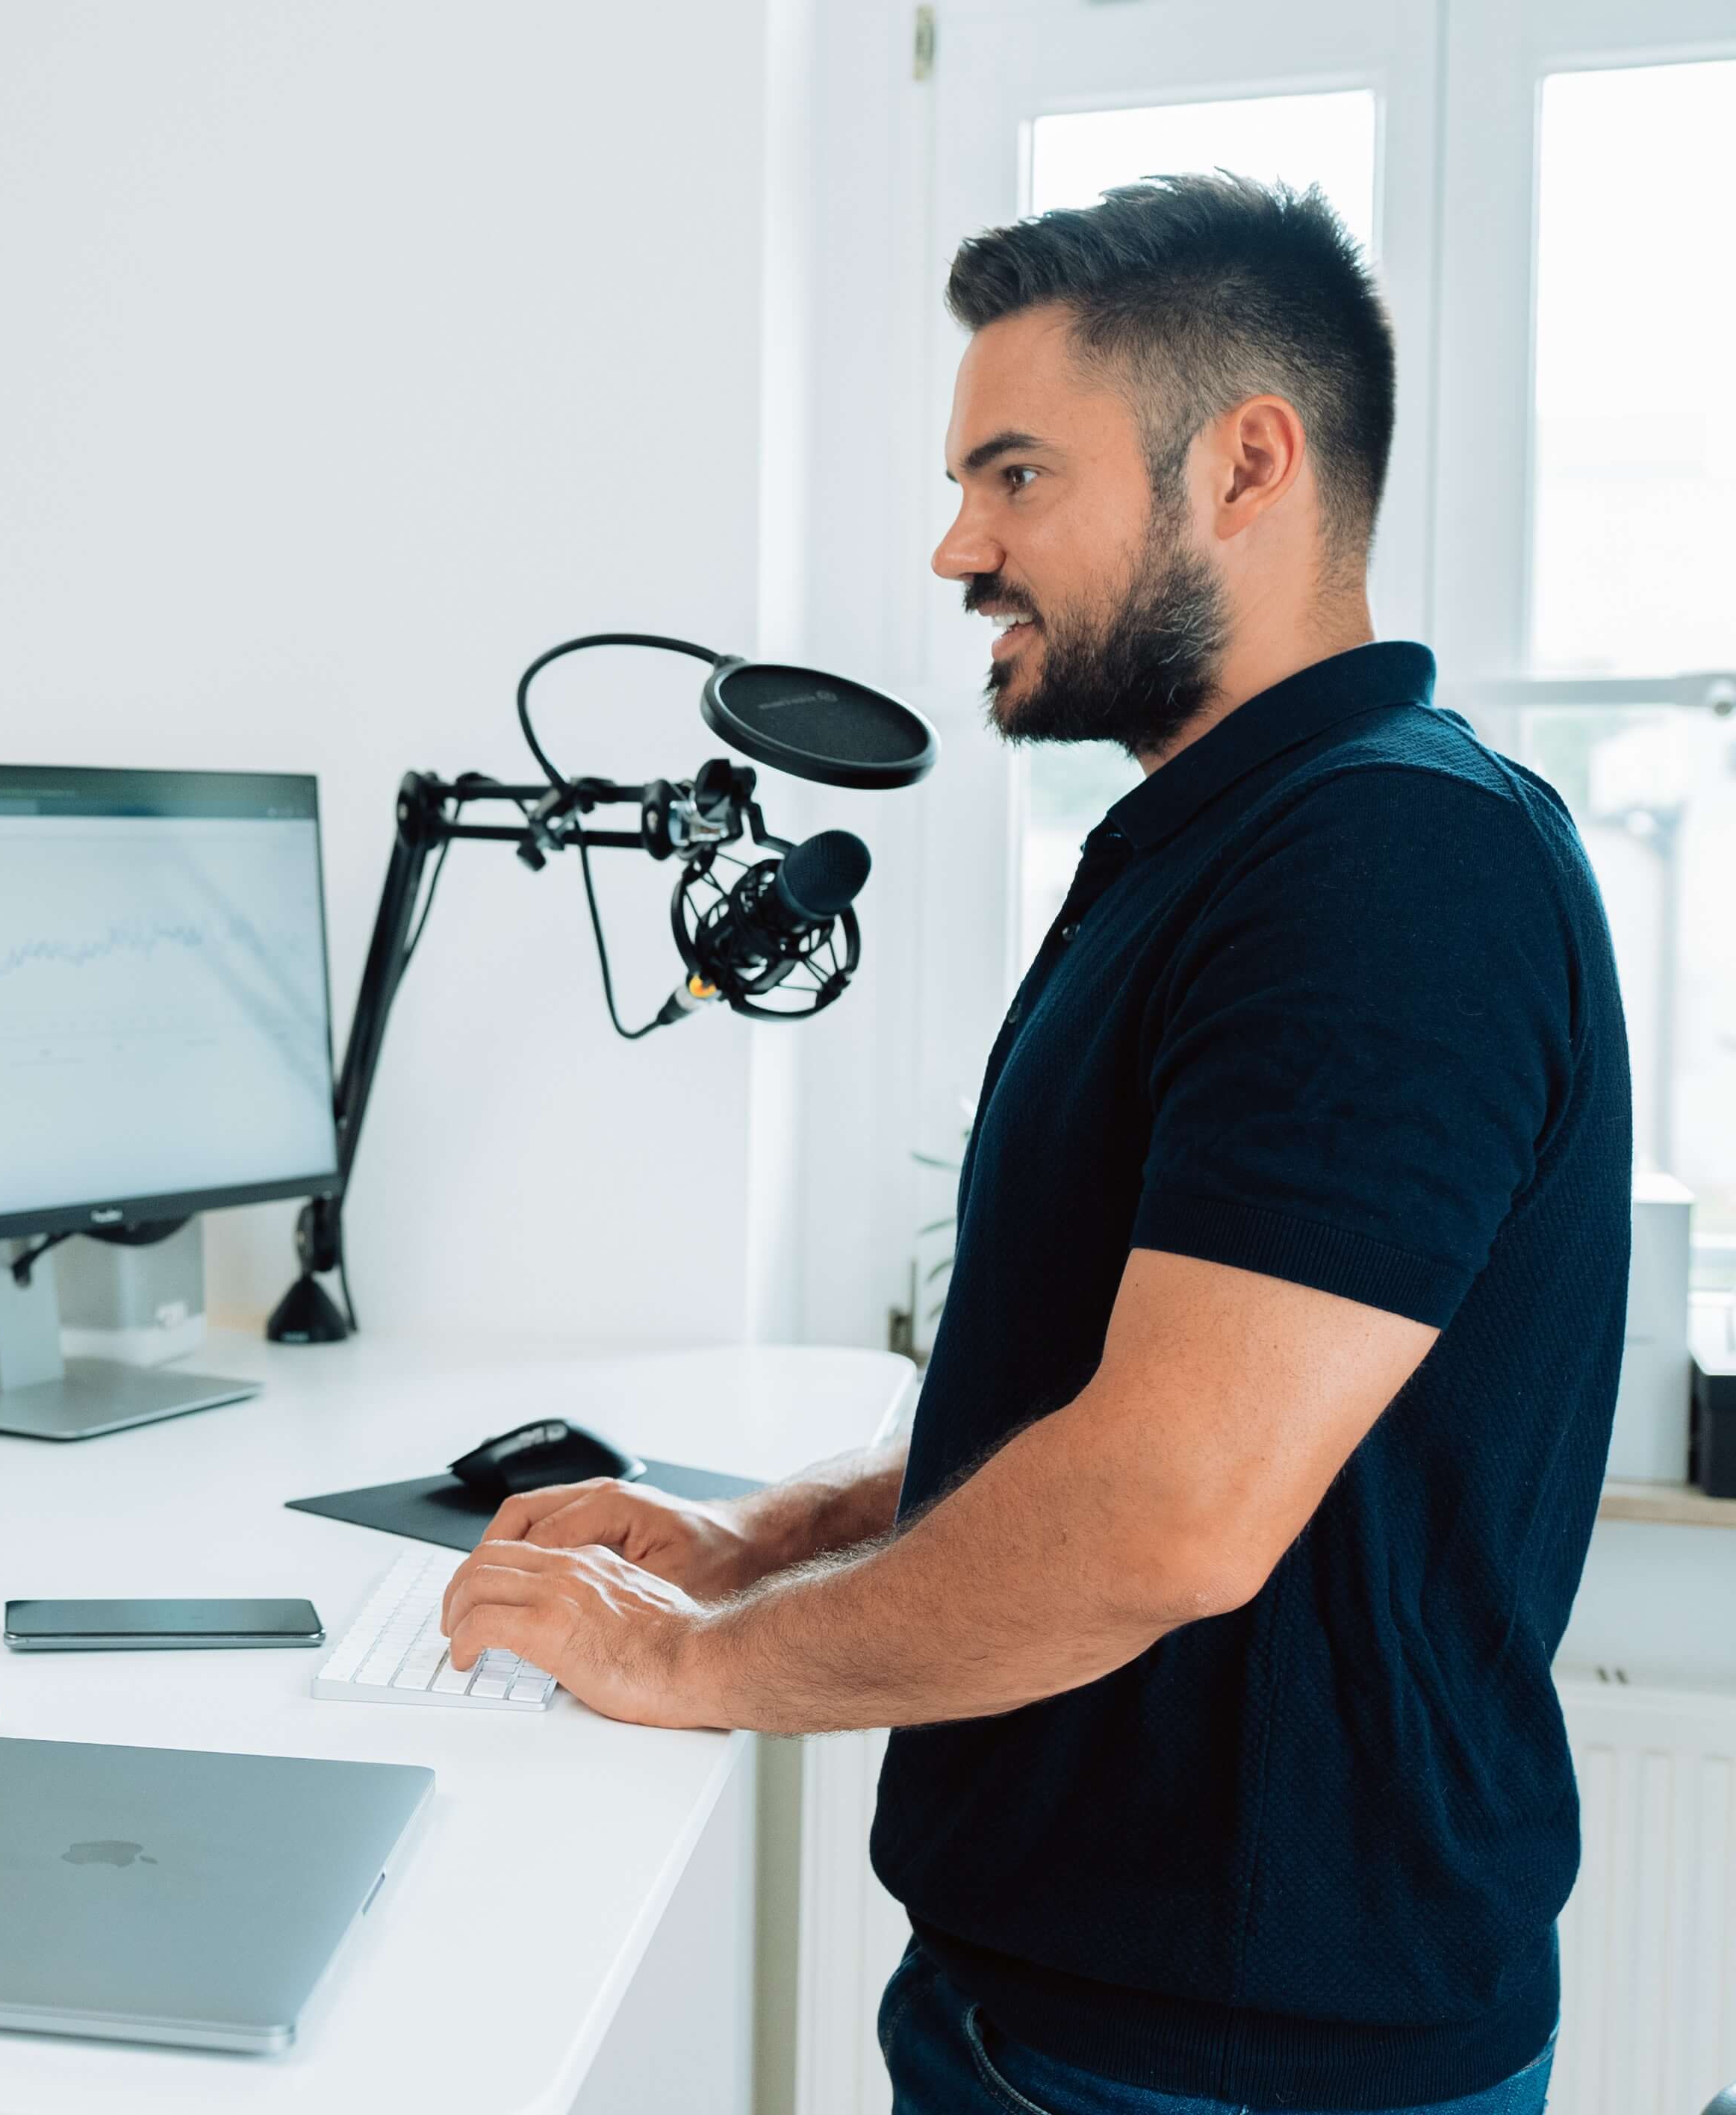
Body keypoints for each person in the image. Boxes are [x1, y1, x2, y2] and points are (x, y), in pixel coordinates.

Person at [442, 173, 1627, 2114]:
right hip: (1069, 2015)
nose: (954, 547)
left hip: (1231, 2063)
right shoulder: (1221, 853)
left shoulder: (1391, 872)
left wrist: (687, 1668)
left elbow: (1169, 1504)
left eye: (1014, 477)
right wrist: (758, 1543)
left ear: (1247, 463)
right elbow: (1092, 1387)